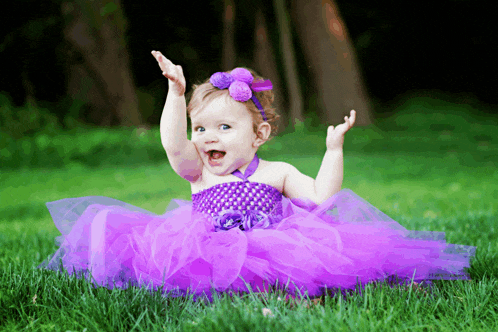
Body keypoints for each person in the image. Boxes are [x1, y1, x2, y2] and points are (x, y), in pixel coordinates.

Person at [38, 51, 476, 304]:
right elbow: (173, 145)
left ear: (259, 135)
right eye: (202, 129)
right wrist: (175, 94)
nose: (209, 137)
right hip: (207, 249)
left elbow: (322, 195)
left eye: (224, 128)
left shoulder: (277, 172)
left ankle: (291, 298)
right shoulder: (197, 172)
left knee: (290, 273)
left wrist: (333, 151)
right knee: (206, 278)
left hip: (275, 247)